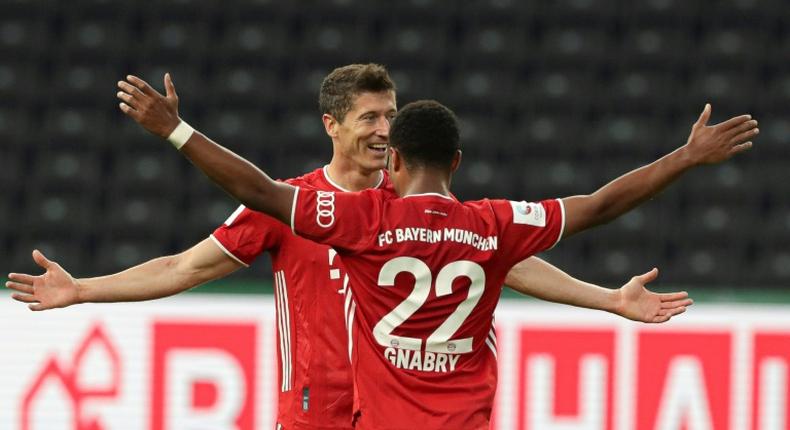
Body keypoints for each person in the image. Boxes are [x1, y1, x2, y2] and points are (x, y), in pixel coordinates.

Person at [4, 65, 695, 429]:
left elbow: (506, 263)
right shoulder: (293, 205)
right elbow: (183, 267)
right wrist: (83, 289)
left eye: (391, 116)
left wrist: (602, 298)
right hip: (313, 415)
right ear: (331, 124)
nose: (382, 128)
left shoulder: (409, 211)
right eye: (369, 116)